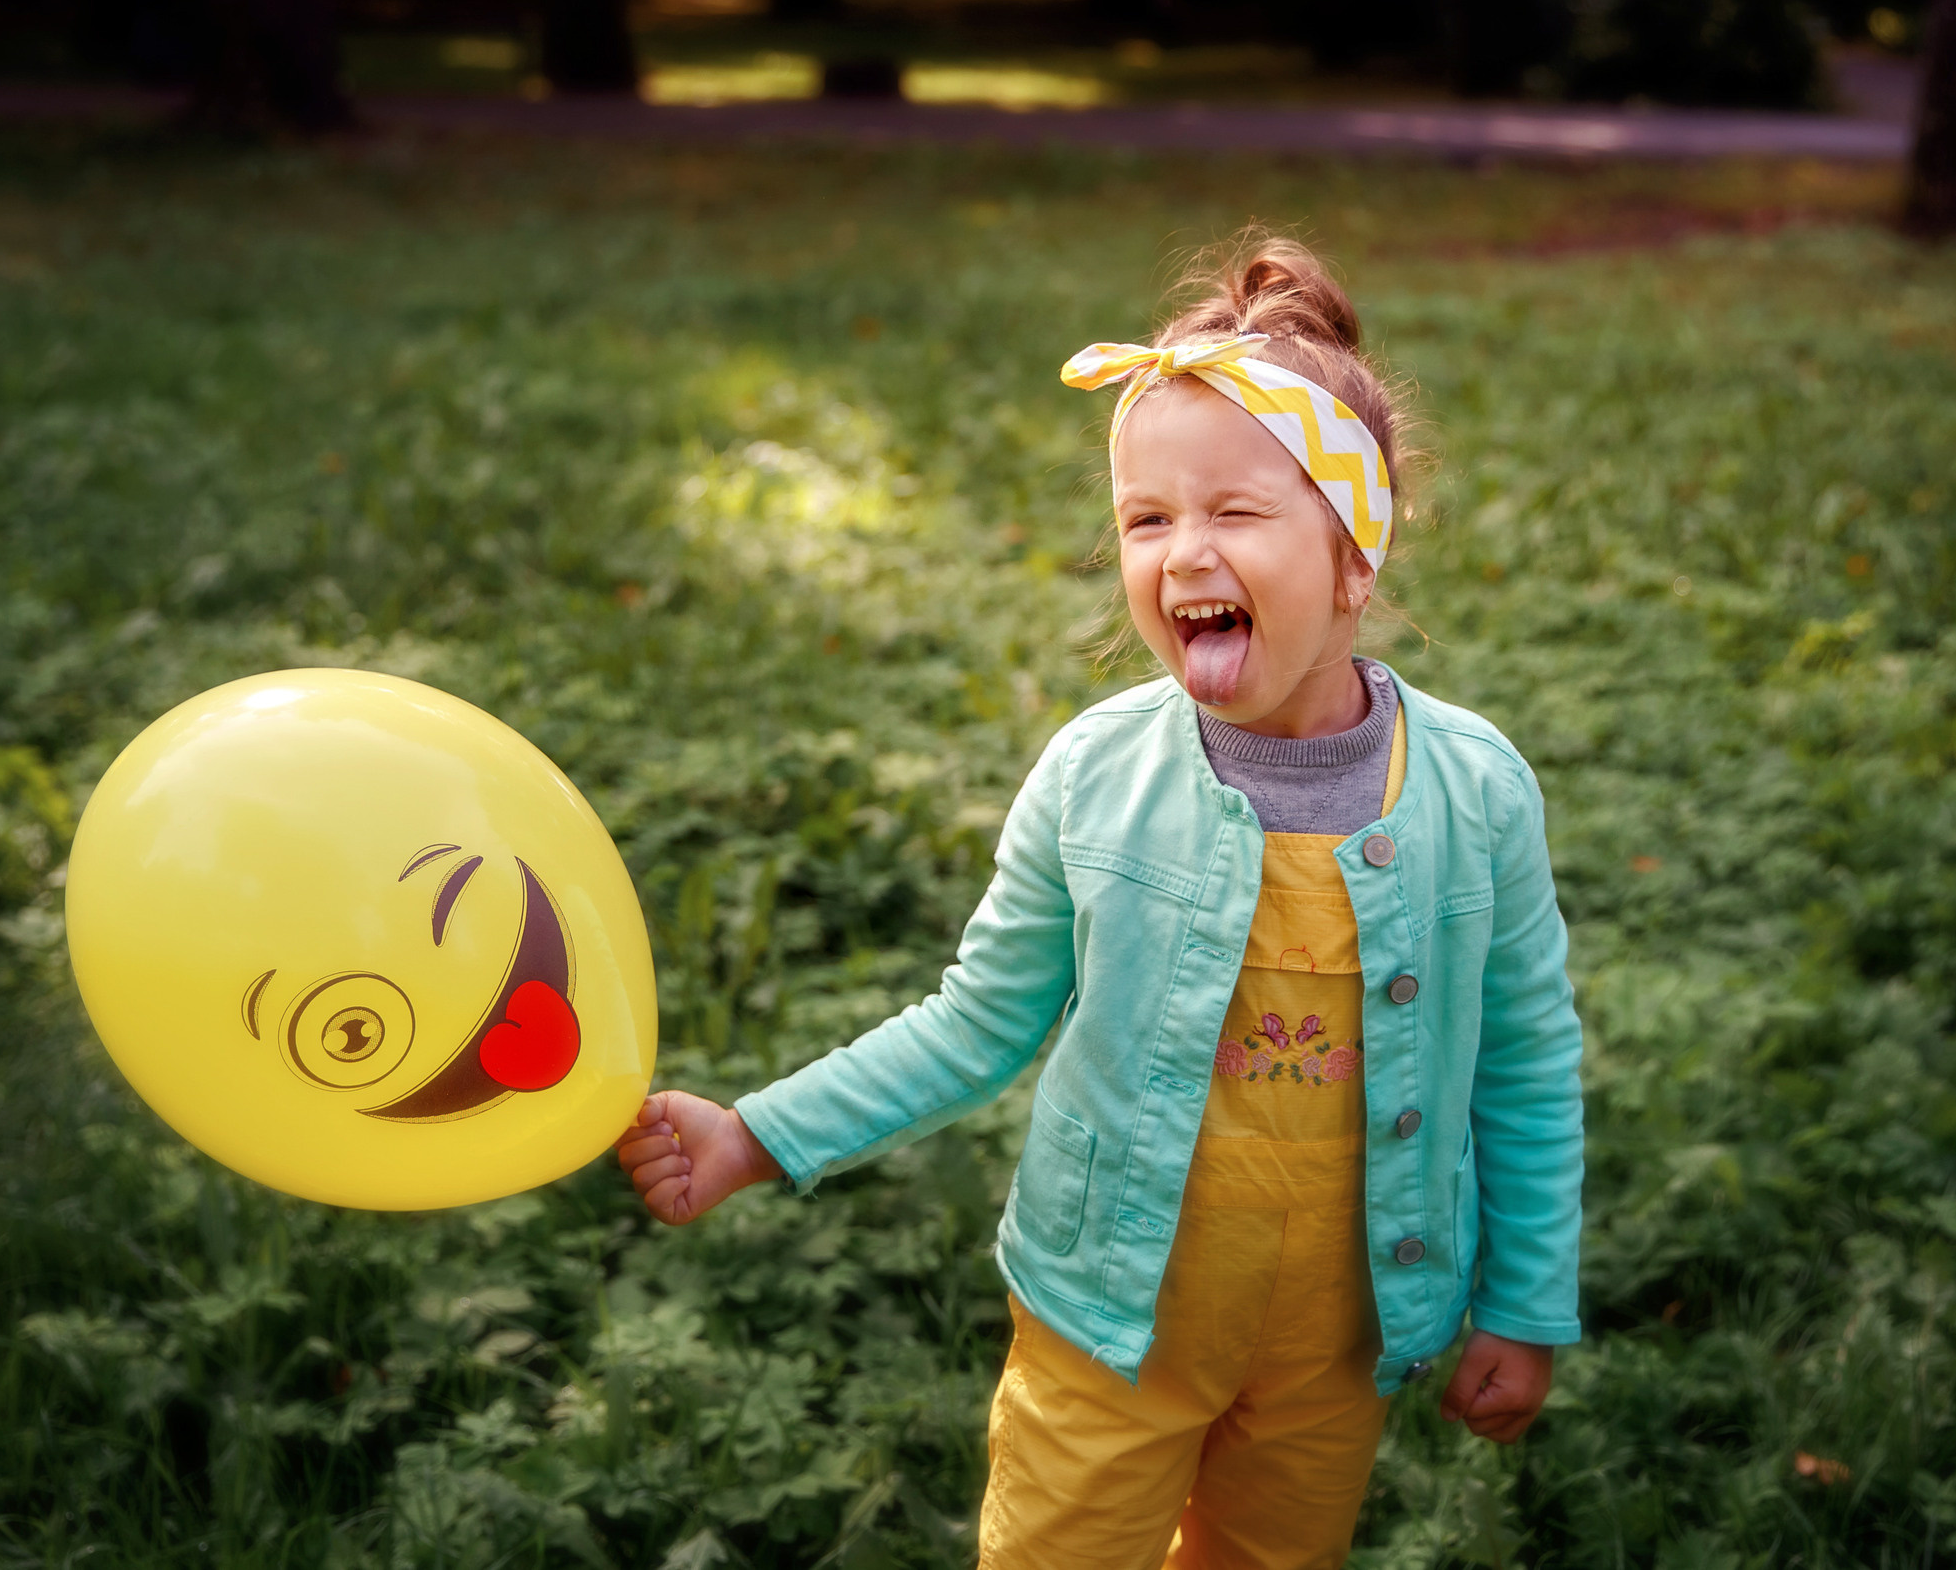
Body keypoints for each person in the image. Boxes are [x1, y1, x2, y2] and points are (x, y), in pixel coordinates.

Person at [613, 235, 1584, 1569]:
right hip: (1108, 1320)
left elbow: (1525, 1064)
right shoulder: (1097, 775)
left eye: (1237, 513)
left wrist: (1522, 1305)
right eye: (1146, 519)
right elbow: (975, 1022)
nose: (1184, 551)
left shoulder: (1475, 794)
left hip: (1338, 1344)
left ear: (1357, 553)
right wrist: (757, 1135)